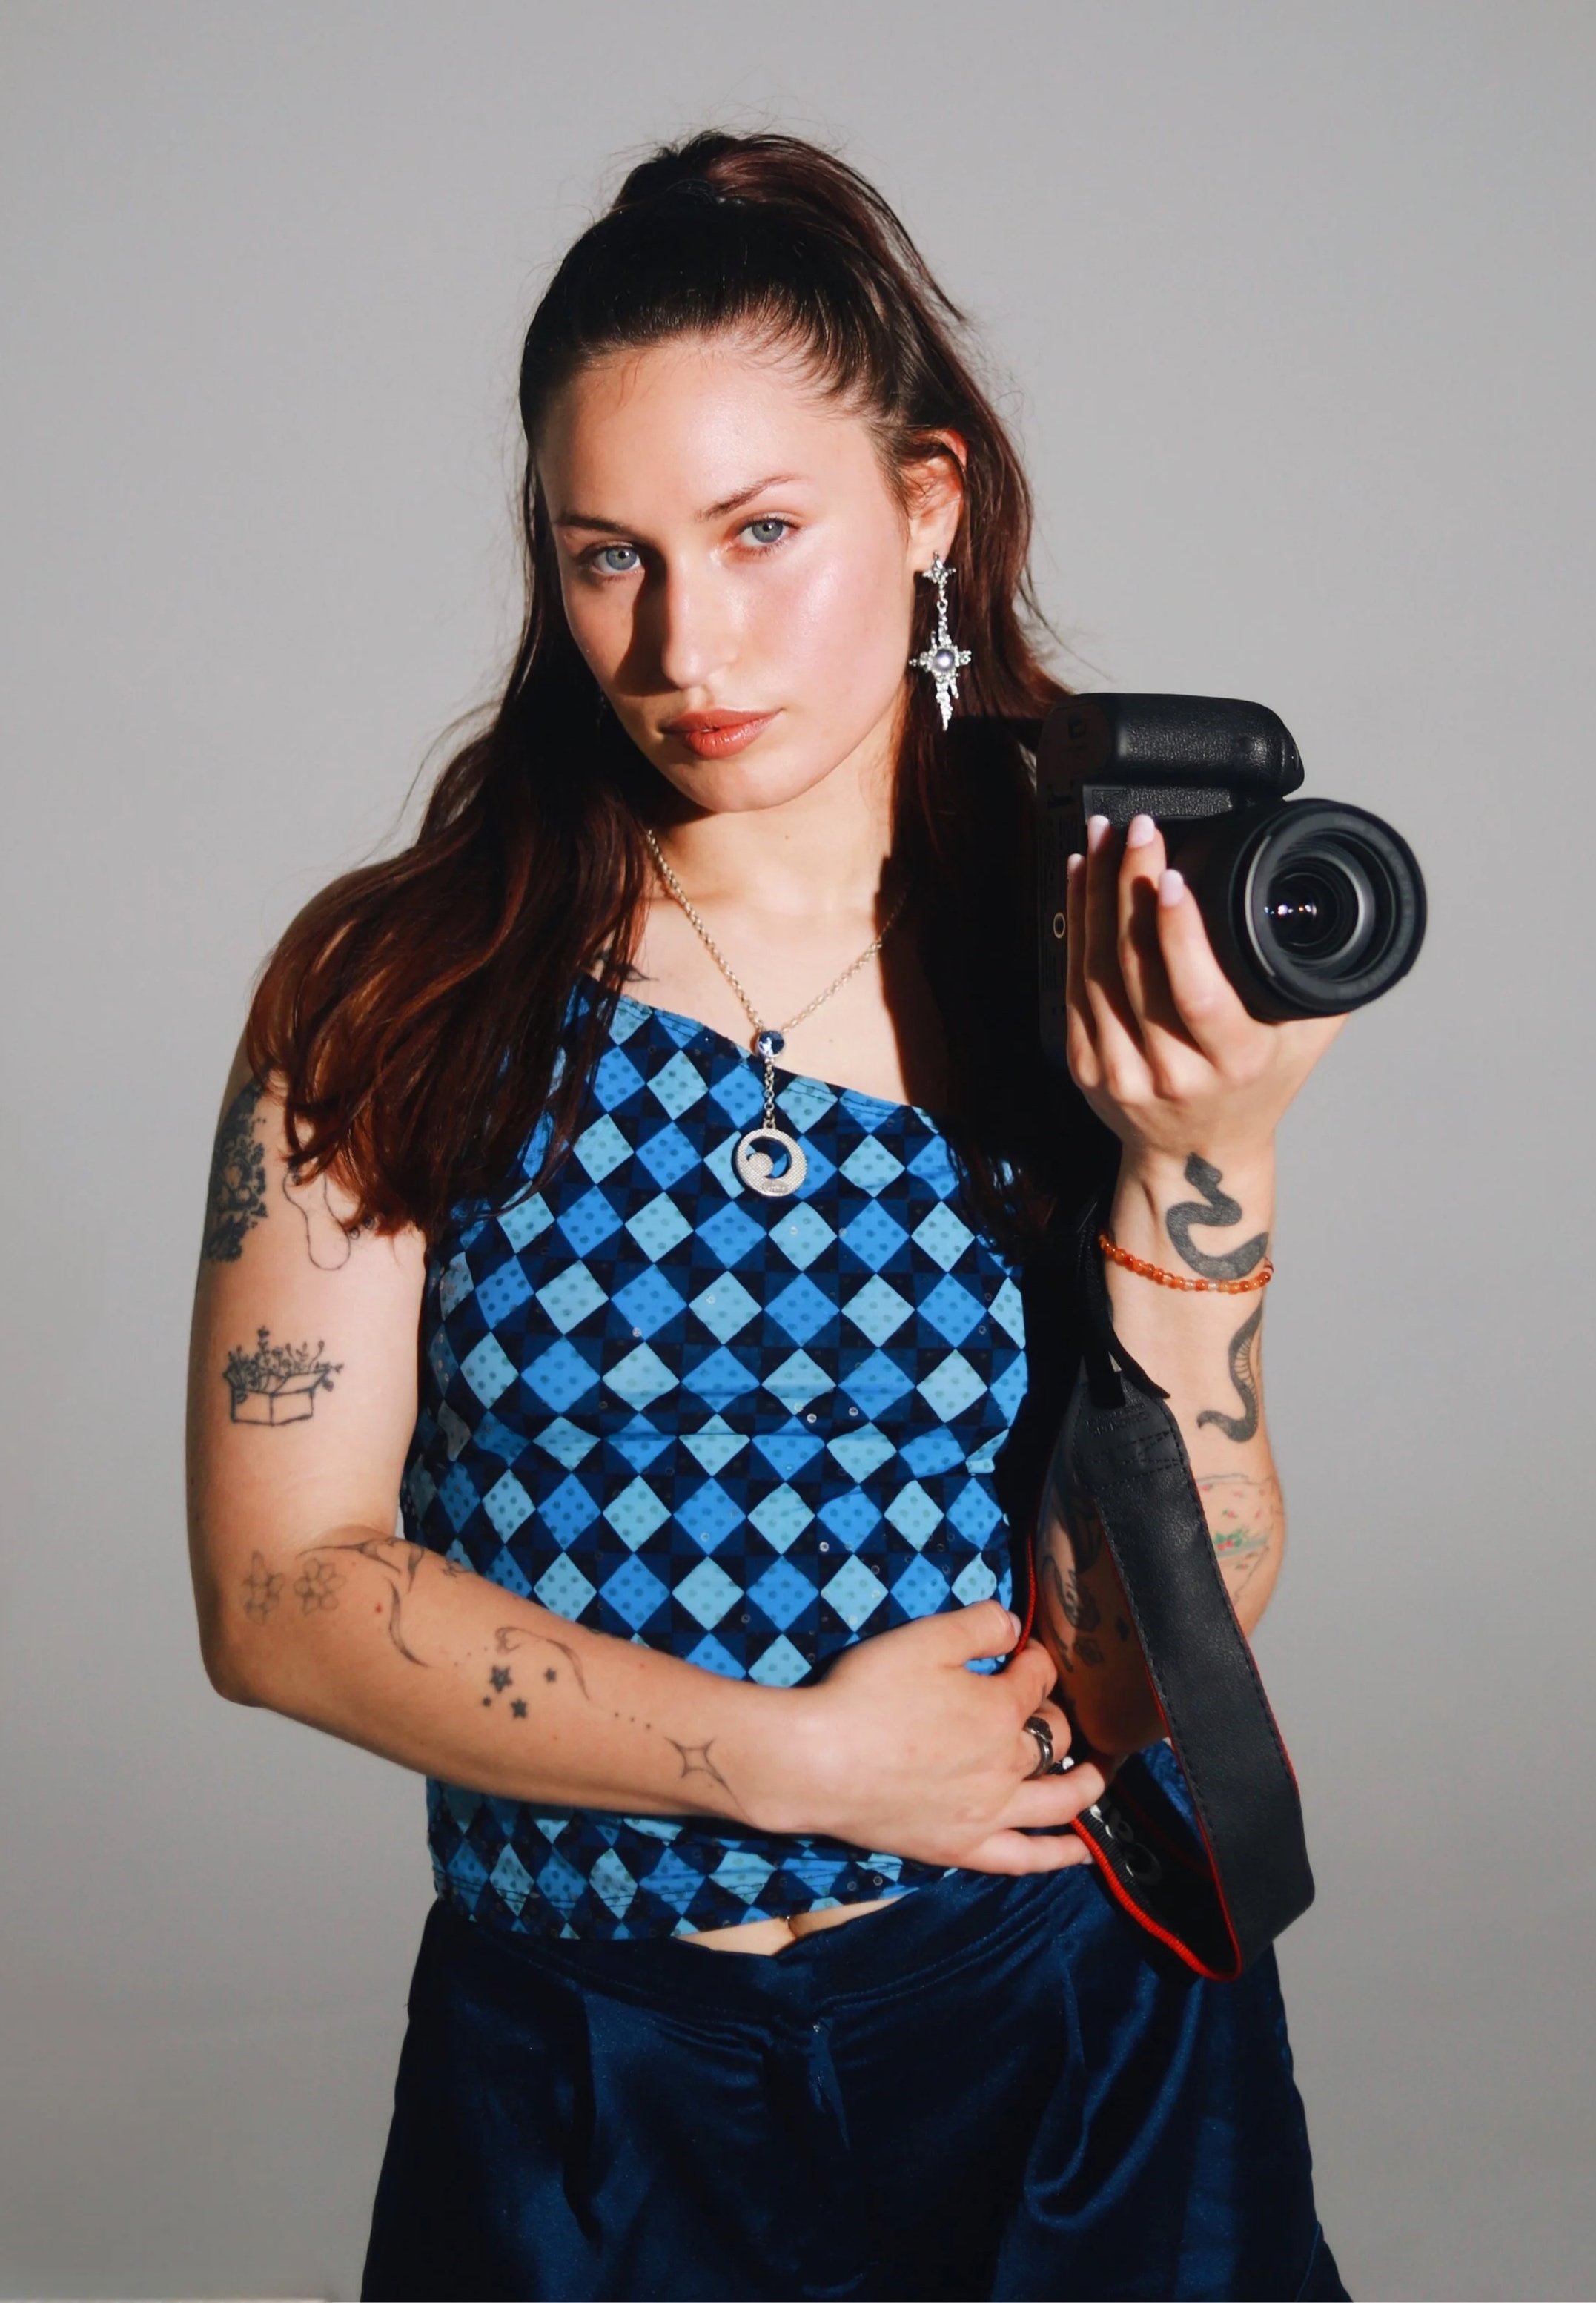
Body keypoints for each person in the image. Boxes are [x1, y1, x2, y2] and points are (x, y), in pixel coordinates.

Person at [185, 130, 1351, 2302]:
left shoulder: (1075, 935)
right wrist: (793, 1759)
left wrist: (1210, 1161)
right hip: (585, 2069)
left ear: (927, 507)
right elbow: (278, 1590)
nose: (684, 641)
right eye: (606, 557)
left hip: (1063, 2027)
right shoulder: (399, 984)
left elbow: (1162, 1651)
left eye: (761, 533)